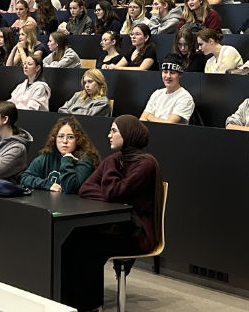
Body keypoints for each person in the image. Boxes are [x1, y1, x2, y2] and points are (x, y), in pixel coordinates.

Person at [66, 116, 163, 312]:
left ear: (128, 134)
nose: (109, 135)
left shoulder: (146, 164)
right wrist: (112, 193)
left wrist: (110, 169)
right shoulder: (115, 159)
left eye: (114, 131)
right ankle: (71, 301)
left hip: (138, 233)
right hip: (115, 228)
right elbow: (85, 188)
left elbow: (114, 193)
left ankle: (89, 306)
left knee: (87, 246)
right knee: (71, 239)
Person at [20, 116, 99, 194]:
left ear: (78, 140)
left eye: (70, 137)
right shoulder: (46, 157)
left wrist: (67, 159)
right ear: (55, 139)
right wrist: (47, 184)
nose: (65, 141)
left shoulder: (84, 159)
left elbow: (71, 188)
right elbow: (25, 178)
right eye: (61, 136)